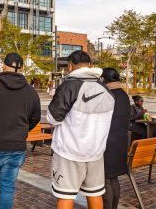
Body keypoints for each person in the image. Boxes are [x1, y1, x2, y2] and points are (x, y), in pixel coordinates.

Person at [47, 50, 114, 209]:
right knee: (95, 193)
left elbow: (52, 118)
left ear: (70, 66)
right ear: (90, 65)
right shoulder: (105, 89)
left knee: (65, 195)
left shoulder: (69, 86)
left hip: (69, 152)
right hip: (96, 152)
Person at [0, 52, 41, 209]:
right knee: (8, 187)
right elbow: (34, 117)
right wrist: (21, 130)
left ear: (3, 66)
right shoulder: (31, 92)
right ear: (22, 69)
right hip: (16, 146)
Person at [101, 68, 130, 209]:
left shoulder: (108, 94)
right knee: (114, 178)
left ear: (104, 79)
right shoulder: (124, 95)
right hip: (121, 142)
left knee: (105, 180)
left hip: (108, 142)